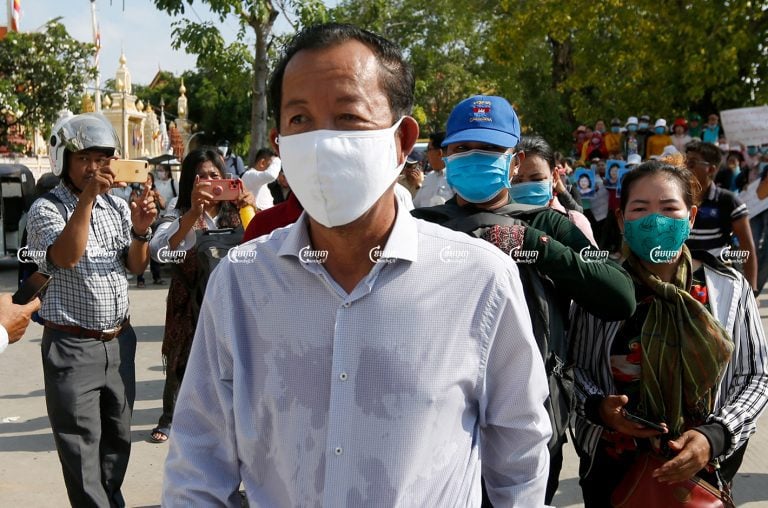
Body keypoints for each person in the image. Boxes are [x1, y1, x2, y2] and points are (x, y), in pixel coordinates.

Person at [163, 23, 552, 506]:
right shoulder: (241, 283)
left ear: (401, 138)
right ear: (280, 141)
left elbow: (519, 452)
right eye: (300, 120)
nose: (323, 141)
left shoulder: (480, 280)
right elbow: (198, 460)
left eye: (348, 116)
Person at [412, 96, 636, 505]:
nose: (475, 157)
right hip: (437, 419)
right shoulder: (421, 226)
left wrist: (537, 246)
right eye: (463, 149)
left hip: (531, 419)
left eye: (492, 149)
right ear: (444, 157)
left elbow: (618, 295)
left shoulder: (546, 224)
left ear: (514, 163)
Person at [569, 160, 768, 507]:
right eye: (640, 209)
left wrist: (715, 436)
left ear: (690, 218)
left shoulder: (728, 288)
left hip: (700, 474)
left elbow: (756, 375)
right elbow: (573, 369)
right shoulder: (598, 289)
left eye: (668, 208)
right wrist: (599, 408)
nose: (655, 220)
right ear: (621, 220)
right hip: (614, 471)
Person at [26, 112, 157, 507]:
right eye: (84, 158)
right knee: (82, 453)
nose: (94, 168)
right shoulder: (46, 210)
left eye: (102, 159)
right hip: (72, 346)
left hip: (119, 342)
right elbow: (65, 256)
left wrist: (140, 230)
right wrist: (85, 200)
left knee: (117, 443)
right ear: (63, 159)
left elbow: (135, 266)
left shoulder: (117, 207)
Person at [148, 147, 255, 444]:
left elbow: (264, 246)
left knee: (232, 362)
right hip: (189, 299)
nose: (208, 182)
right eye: (201, 177)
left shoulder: (237, 209)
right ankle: (171, 417)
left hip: (232, 301)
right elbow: (160, 252)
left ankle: (228, 420)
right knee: (181, 359)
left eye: (214, 175)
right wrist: (193, 212)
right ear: (189, 182)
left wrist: (251, 210)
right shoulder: (178, 209)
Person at [685, 140, 758, 292]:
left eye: (691, 163)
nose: (685, 167)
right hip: (681, 280)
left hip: (718, 282)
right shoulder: (675, 199)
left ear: (711, 170)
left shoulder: (728, 201)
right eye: (684, 161)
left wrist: (751, 291)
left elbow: (747, 248)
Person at [517, 135, 596, 245]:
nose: (526, 187)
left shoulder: (575, 222)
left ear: (554, 177)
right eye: (517, 181)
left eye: (536, 179)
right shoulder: (498, 222)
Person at [131, 173, 166, 287]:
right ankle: (140, 279)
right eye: (145, 179)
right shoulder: (136, 190)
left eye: (149, 179)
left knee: (154, 249)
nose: (147, 181)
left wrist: (157, 196)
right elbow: (131, 204)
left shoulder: (156, 191)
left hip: (155, 224)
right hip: (142, 225)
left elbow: (163, 206)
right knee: (142, 249)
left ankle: (157, 276)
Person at [412, 131, 454, 207]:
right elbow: (415, 205)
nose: (427, 154)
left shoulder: (456, 179)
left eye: (428, 150)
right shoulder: (429, 178)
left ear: (439, 153)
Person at [240, 147, 281, 211]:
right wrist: (278, 159)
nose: (273, 167)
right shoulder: (249, 175)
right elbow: (271, 175)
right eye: (272, 164)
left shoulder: (256, 178)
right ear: (262, 163)